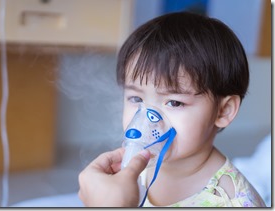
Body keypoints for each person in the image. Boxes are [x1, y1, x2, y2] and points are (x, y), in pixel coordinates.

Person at [78, 11, 266, 207]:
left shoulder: (234, 201)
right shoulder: (126, 174)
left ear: (223, 111)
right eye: (136, 98)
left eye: (174, 102)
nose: (147, 120)